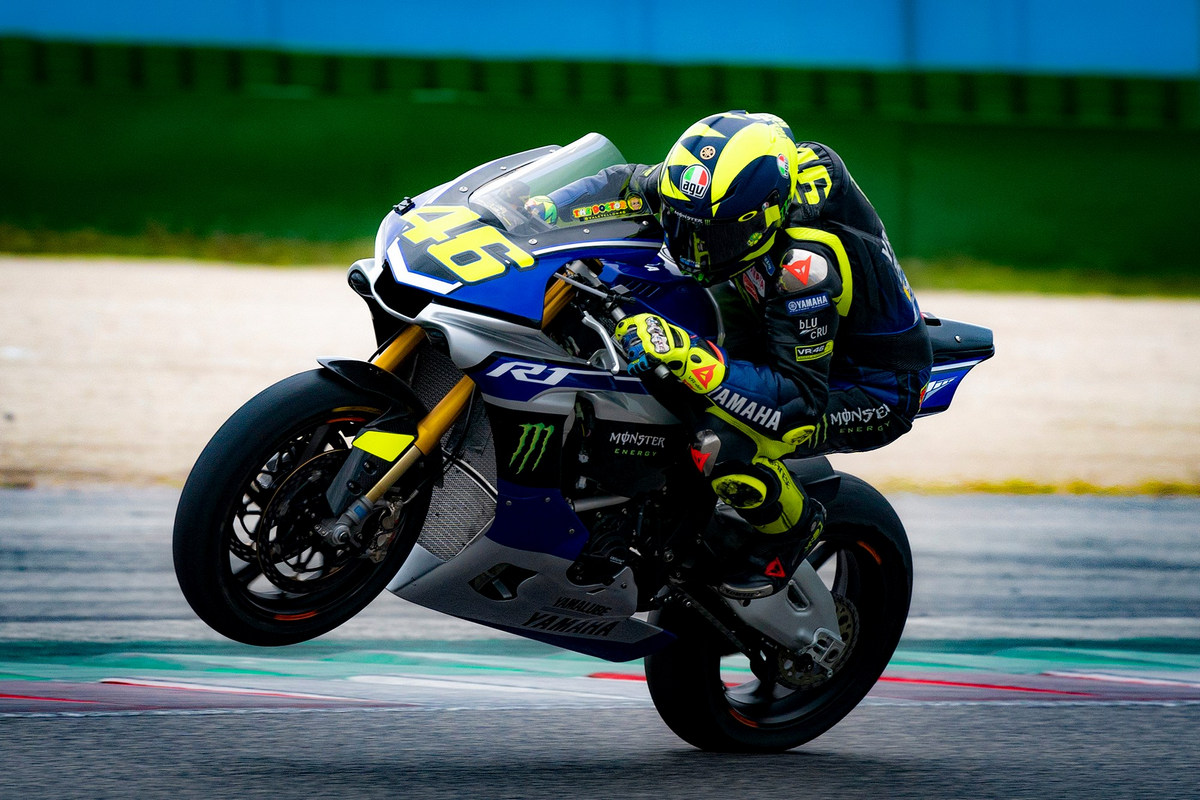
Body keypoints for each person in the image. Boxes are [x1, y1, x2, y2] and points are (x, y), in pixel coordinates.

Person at [528, 111, 933, 599]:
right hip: (771, 320)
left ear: (764, 216)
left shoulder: (805, 266)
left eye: (713, 236)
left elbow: (797, 399)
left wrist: (689, 355)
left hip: (864, 382)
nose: (693, 248)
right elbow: (628, 183)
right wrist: (542, 211)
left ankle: (791, 529)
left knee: (723, 439)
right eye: (683, 225)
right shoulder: (723, 191)